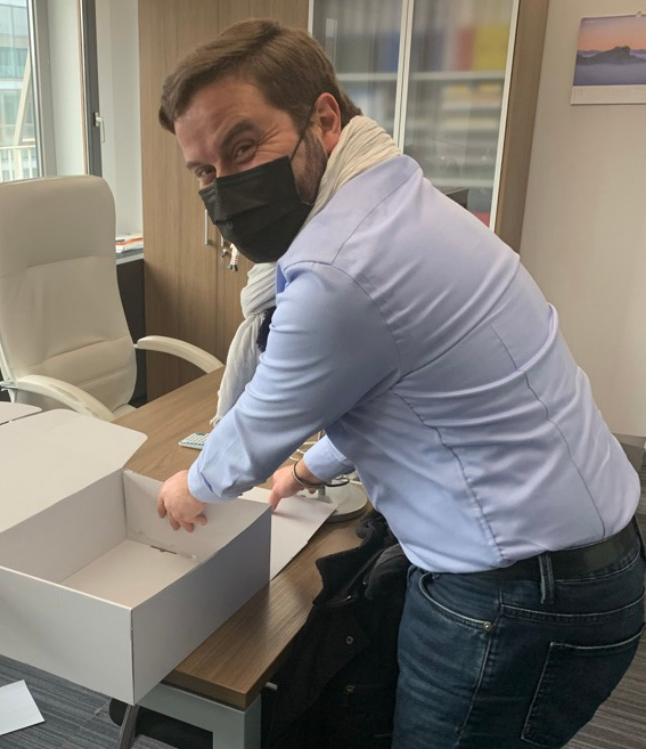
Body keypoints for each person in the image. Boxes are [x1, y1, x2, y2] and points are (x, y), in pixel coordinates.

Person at [154, 18, 645, 749]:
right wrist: (307, 470)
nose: (225, 185)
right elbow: (396, 389)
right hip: (577, 563)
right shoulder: (396, 200)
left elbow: (252, 436)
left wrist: (187, 487)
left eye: (244, 146)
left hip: (516, 596)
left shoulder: (340, 265)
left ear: (323, 119)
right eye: (203, 171)